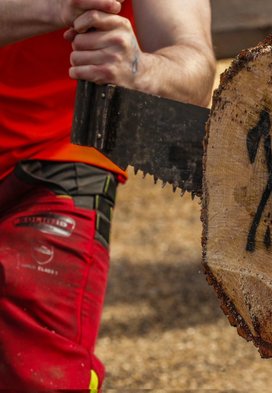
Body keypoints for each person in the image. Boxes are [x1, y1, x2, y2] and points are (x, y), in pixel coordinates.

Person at [0, 0, 215, 390]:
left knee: (43, 377)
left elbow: (194, 67)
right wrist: (56, 8)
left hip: (60, 153)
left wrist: (140, 69)